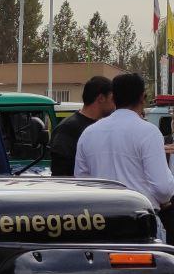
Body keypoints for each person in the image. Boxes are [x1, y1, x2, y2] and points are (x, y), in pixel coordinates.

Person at [74, 72, 174, 240]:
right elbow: (163, 188)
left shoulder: (89, 133)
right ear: (142, 97)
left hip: (100, 222)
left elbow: (82, 182)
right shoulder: (148, 132)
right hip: (140, 223)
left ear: (113, 98)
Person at [50, 76, 114, 176]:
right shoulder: (67, 129)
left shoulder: (104, 127)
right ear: (101, 98)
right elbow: (61, 172)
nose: (115, 104)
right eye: (112, 99)